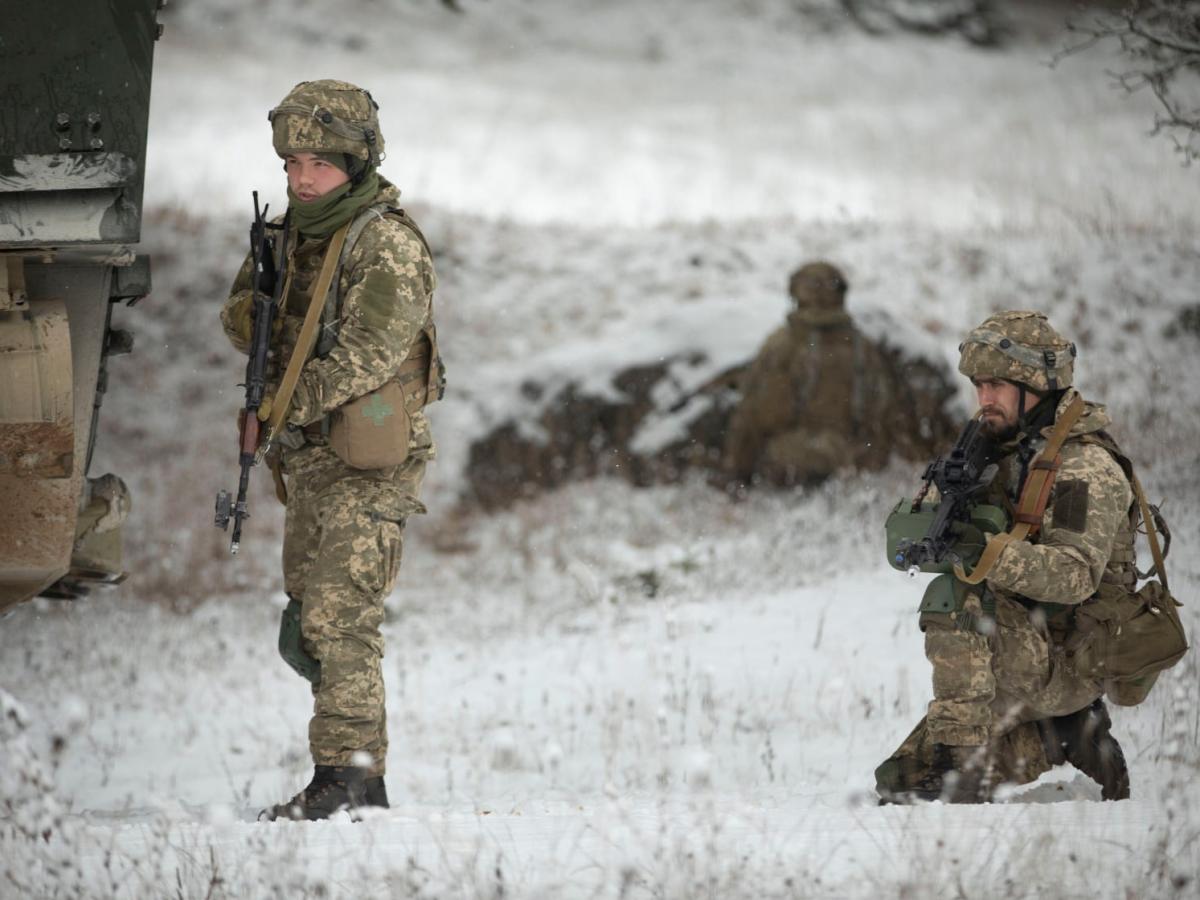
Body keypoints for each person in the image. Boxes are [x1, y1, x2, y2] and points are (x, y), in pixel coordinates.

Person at [219, 79, 443, 820]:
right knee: (306, 624)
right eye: (292, 164)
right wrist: (259, 318)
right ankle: (348, 774)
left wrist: (278, 408)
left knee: (340, 619)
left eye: (318, 164)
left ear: (357, 160)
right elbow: (238, 316)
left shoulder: (386, 244)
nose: (301, 179)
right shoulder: (287, 236)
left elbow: (366, 355)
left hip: (368, 458)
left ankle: (350, 781)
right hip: (311, 458)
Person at [876, 310, 1138, 804]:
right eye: (978, 385)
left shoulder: (1085, 466)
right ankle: (1062, 734)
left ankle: (969, 774)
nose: (984, 399)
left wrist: (986, 551)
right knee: (903, 782)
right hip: (1016, 639)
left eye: (996, 384)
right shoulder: (999, 451)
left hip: (1075, 652)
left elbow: (1076, 576)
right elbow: (928, 543)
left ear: (1037, 386)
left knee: (955, 598)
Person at [722, 261, 953, 487]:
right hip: (859, 465)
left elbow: (756, 416)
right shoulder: (863, 347)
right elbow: (887, 413)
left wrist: (736, 474)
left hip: (793, 467)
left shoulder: (782, 346)